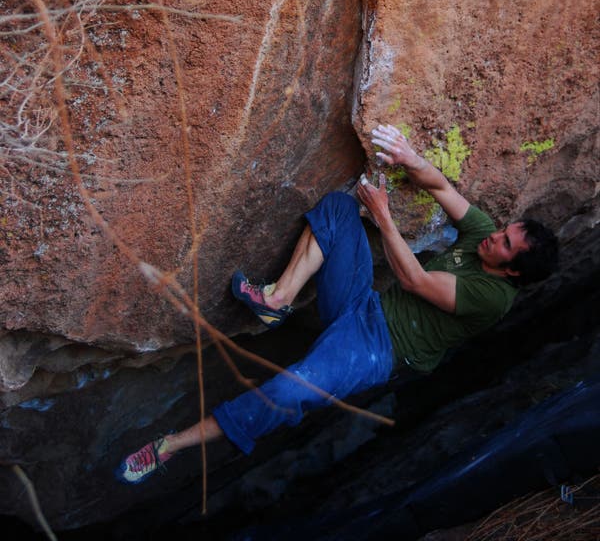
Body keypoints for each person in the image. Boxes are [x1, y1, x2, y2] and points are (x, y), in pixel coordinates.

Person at [116, 124, 559, 484]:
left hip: (376, 350)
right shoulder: (483, 236)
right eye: (503, 229)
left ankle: (167, 447)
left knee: (286, 392)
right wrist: (409, 157)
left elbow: (415, 278)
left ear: (513, 271)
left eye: (504, 243)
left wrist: (384, 217)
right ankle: (279, 299)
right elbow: (440, 185)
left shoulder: (493, 298)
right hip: (361, 304)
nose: (493, 236)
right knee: (339, 211)